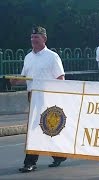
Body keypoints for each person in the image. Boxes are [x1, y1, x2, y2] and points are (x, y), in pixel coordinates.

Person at [10, 26, 67, 173]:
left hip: (47, 97)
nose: (33, 40)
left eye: (37, 37)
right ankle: (59, 155)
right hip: (32, 96)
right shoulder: (28, 57)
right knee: (45, 128)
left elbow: (60, 78)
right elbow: (26, 77)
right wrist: (16, 81)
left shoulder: (52, 56)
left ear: (44, 39)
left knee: (34, 129)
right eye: (32, 38)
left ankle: (30, 162)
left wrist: (57, 97)